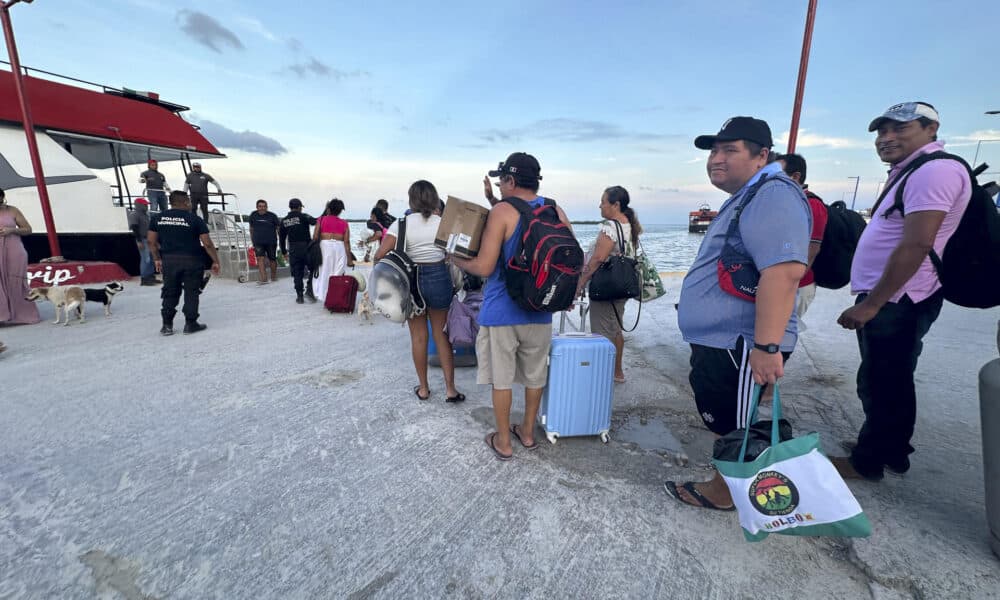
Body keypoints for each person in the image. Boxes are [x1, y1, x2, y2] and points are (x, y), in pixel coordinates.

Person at [666, 117, 811, 510]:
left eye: (729, 150)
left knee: (736, 425)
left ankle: (724, 493)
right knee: (728, 418)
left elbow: (783, 273)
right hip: (726, 342)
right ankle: (731, 484)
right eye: (714, 150)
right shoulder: (751, 193)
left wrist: (767, 346)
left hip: (742, 344)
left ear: (762, 155)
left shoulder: (773, 193)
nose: (716, 158)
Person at [833, 102, 971, 481]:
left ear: (930, 129)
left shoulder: (935, 170)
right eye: (881, 131)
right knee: (891, 375)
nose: (886, 138)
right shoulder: (913, 170)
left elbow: (917, 244)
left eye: (899, 129)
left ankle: (868, 461)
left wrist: (873, 303)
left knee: (882, 379)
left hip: (899, 297)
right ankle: (892, 448)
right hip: (896, 296)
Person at [451, 152, 571, 461]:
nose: (499, 186)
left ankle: (503, 441)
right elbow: (568, 259)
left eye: (501, 180)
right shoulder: (553, 208)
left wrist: (453, 256)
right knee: (534, 376)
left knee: (502, 379)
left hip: (502, 311)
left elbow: (485, 266)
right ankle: (527, 432)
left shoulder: (502, 211)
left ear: (511, 180)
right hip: (541, 310)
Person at [374, 180, 465, 404]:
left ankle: (424, 389)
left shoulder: (401, 224)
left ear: (411, 200)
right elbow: (456, 253)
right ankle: (450, 389)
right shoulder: (444, 223)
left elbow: (380, 256)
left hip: (410, 281)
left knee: (418, 337)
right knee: (441, 335)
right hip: (439, 278)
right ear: (434, 199)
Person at [574, 185, 642, 383]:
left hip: (607, 288)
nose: (600, 206)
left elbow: (597, 259)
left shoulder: (610, 227)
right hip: (622, 286)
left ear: (615, 204)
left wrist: (580, 283)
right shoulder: (629, 225)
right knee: (615, 328)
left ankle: (602, 376)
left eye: (603, 202)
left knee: (602, 331)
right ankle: (616, 372)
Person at [148, 191, 221, 336]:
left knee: (170, 292)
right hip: (192, 260)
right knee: (191, 292)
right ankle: (190, 324)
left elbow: (151, 241)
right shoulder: (194, 219)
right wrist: (215, 260)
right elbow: (207, 243)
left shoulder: (157, 218)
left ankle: (167, 325)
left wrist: (157, 259)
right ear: (186, 202)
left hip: (169, 260)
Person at [776, 153, 829, 327]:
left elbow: (811, 250)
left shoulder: (811, 205)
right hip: (780, 281)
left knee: (782, 333)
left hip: (798, 286)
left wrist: (789, 283)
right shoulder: (788, 202)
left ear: (796, 176)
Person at [0, 187, 40, 325]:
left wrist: (11, 230)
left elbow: (28, 229)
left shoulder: (12, 210)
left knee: (16, 282)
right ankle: (2, 316)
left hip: (14, 250)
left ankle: (22, 315)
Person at [312, 198, 353, 303]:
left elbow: (315, 236)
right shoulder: (344, 223)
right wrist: (349, 259)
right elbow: (347, 242)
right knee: (337, 273)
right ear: (340, 211)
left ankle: (323, 295)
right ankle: (334, 297)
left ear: (328, 209)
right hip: (340, 248)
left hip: (324, 246)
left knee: (324, 271)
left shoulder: (321, 220)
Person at [279, 198, 318, 304]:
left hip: (293, 249)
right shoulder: (304, 216)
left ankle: (299, 297)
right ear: (300, 207)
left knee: (297, 273)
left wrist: (283, 252)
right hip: (306, 247)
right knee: (314, 269)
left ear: (290, 207)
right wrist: (325, 212)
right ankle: (310, 289)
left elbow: (281, 239)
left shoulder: (284, 220)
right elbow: (315, 221)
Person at [248, 199, 281, 285]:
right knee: (260, 258)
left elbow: (278, 229)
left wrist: (281, 240)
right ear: (257, 207)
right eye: (260, 206)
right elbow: (251, 229)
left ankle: (273, 277)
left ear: (266, 207)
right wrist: (253, 240)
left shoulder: (273, 216)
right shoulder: (253, 215)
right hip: (258, 242)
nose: (262, 208)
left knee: (272, 259)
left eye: (264, 206)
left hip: (271, 241)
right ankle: (264, 278)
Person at [128, 198, 158, 286]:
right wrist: (139, 241)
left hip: (149, 239)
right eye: (145, 204)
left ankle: (150, 277)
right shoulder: (134, 214)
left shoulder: (145, 215)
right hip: (143, 239)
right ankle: (145, 279)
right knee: (146, 259)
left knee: (152, 258)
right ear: (139, 205)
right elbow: (134, 228)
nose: (147, 206)